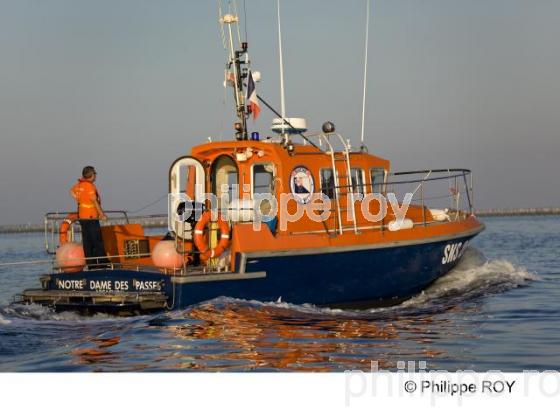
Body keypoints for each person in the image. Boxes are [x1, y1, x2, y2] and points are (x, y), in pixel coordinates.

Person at [70, 166, 110, 268]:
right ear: (91, 175)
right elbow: (94, 201)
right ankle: (103, 264)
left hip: (83, 218)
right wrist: (102, 214)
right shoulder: (90, 186)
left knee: (87, 242)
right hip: (92, 217)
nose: (96, 176)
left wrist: (80, 199)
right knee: (97, 241)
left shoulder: (79, 185)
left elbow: (71, 192)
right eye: (95, 174)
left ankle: (91, 265)